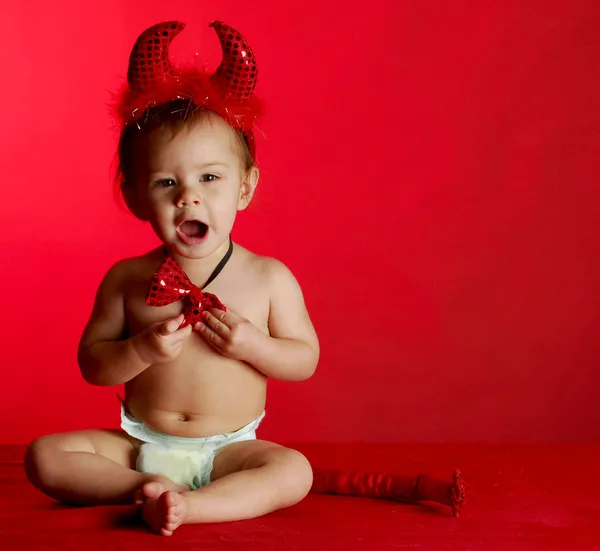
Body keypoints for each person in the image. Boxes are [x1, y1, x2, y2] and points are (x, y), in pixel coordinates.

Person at [24, 20, 319, 536]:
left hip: (230, 449)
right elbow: (93, 365)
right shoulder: (126, 279)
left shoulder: (268, 278)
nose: (189, 196)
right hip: (141, 446)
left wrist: (253, 344)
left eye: (210, 177)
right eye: (166, 182)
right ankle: (143, 489)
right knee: (45, 456)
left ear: (245, 187)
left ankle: (198, 507)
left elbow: (304, 359)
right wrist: (142, 350)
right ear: (136, 196)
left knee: (293, 471)